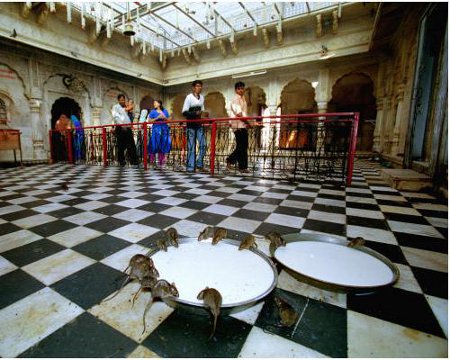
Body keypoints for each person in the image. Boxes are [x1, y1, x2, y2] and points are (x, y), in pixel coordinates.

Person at [182, 80, 208, 172]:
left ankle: (199, 164)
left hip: (199, 125)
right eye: (197, 86)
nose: (199, 88)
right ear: (193, 88)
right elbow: (184, 112)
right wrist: (194, 113)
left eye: (200, 86)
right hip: (191, 125)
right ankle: (190, 167)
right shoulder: (189, 97)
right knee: (191, 147)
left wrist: (205, 115)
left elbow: (202, 111)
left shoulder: (202, 97)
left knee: (203, 145)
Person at [227, 81, 250, 173]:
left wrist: (247, 123)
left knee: (243, 146)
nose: (241, 90)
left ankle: (242, 167)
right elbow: (239, 114)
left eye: (242, 88)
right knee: (241, 147)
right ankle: (230, 160)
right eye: (239, 88)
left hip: (243, 125)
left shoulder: (243, 98)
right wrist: (249, 123)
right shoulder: (235, 99)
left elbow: (244, 113)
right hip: (238, 126)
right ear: (236, 90)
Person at [112, 94, 139, 167]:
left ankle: (134, 161)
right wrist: (121, 125)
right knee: (120, 146)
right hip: (120, 128)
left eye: (123, 99)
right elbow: (116, 117)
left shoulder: (125, 107)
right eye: (121, 100)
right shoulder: (116, 107)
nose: (122, 101)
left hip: (127, 128)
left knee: (131, 144)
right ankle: (121, 161)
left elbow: (132, 110)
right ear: (118, 100)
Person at [148, 99, 171, 169]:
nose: (154, 104)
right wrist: (157, 118)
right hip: (156, 129)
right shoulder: (153, 112)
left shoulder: (165, 111)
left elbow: (169, 120)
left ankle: (161, 161)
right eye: (154, 103)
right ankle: (152, 160)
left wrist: (164, 118)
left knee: (163, 144)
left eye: (155, 103)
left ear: (159, 104)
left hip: (164, 129)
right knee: (154, 144)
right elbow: (149, 121)